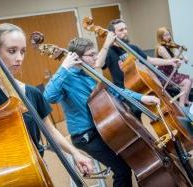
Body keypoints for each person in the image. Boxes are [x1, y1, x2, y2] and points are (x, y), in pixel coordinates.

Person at [0, 24, 94, 175]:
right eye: (12, 51)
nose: (19, 58)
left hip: (37, 170)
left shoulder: (32, 92)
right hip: (0, 175)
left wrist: (75, 153)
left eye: (22, 51)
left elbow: (51, 130)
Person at [44, 37, 160, 187]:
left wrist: (142, 97)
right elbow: (48, 96)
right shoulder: (66, 76)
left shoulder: (90, 73)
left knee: (135, 157)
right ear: (77, 57)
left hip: (104, 128)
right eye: (91, 55)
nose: (96, 58)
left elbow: (114, 90)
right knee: (122, 170)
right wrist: (64, 67)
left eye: (95, 53)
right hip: (86, 135)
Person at [94, 19, 180, 117]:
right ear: (113, 34)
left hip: (141, 86)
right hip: (125, 92)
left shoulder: (132, 48)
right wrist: (107, 43)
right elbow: (98, 64)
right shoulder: (109, 52)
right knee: (136, 118)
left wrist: (169, 61)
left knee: (160, 111)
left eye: (125, 29)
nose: (125, 31)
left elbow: (149, 60)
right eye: (121, 30)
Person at [155, 27, 193, 106]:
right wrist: (179, 58)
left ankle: (185, 100)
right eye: (165, 35)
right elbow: (171, 61)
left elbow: (176, 58)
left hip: (172, 73)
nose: (168, 37)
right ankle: (181, 105)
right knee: (187, 82)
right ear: (160, 37)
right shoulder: (161, 48)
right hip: (165, 76)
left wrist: (182, 57)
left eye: (169, 34)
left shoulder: (169, 46)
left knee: (190, 79)